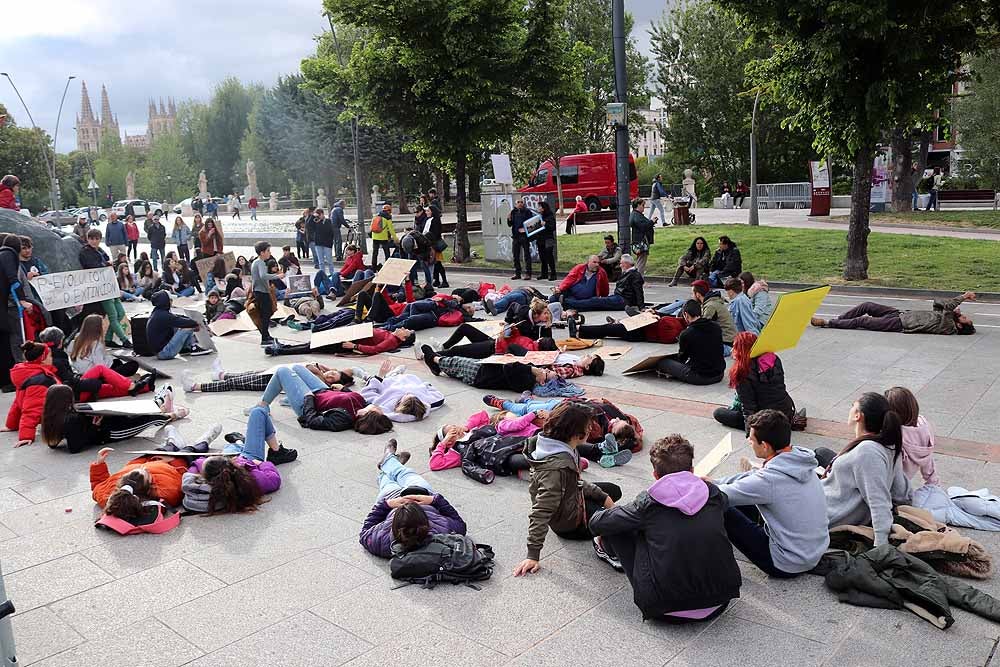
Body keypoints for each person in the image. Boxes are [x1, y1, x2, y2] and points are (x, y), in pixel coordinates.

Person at [588, 434, 741, 620]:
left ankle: (608, 552)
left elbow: (596, 524)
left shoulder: (647, 504)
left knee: (620, 526)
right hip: (720, 599)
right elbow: (723, 504)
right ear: (692, 470)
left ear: (655, 475)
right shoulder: (713, 494)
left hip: (665, 608)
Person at [713, 410, 829, 577]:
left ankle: (707, 556)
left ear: (765, 446)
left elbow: (720, 494)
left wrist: (701, 485)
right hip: (814, 552)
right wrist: (715, 482)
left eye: (751, 439)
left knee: (719, 505)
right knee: (741, 497)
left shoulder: (769, 481)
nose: (748, 441)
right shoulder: (800, 462)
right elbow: (753, 477)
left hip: (786, 564)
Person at [514, 401, 622, 576]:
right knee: (618, 522)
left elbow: (574, 482)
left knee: (613, 491)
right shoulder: (556, 469)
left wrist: (603, 497)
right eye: (588, 427)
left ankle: (602, 513)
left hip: (570, 500)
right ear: (576, 435)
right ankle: (601, 544)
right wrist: (532, 555)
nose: (591, 429)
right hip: (570, 525)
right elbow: (541, 511)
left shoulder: (556, 445)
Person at [818, 392, 912, 547]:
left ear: (858, 415)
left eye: (852, 406)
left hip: (828, 513)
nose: (850, 409)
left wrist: (880, 546)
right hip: (830, 497)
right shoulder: (887, 445)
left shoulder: (867, 452)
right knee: (819, 453)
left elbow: (878, 501)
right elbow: (900, 493)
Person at [360, 439, 467, 557]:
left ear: (394, 525)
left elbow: (364, 533)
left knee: (390, 480)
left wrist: (387, 504)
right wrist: (434, 500)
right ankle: (391, 463)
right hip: (420, 493)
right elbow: (460, 525)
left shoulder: (383, 542)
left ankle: (389, 461)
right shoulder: (443, 530)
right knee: (404, 475)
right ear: (425, 522)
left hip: (392, 497)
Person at [249, 364, 393, 435]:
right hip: (323, 391)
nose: (378, 408)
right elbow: (356, 397)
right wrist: (343, 389)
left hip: (307, 403)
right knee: (297, 368)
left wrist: (308, 398)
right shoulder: (363, 406)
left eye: (377, 410)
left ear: (366, 415)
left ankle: (263, 405)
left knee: (283, 371)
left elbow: (312, 420)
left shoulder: (342, 420)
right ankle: (289, 397)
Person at [41, 384, 188, 453]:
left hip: (107, 423)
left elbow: (53, 443)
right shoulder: (71, 419)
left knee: (137, 413)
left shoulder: (50, 416)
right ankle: (170, 414)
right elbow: (75, 447)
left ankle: (161, 403)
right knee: (148, 419)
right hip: (111, 432)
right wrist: (94, 427)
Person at [713, 332, 798, 432]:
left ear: (742, 350)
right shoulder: (773, 359)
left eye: (735, 347)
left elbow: (748, 407)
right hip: (785, 413)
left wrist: (750, 433)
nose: (732, 350)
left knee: (718, 413)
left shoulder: (743, 371)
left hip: (765, 419)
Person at [811, 292, 977, 335]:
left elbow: (947, 307)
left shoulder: (948, 327)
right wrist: (953, 309)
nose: (964, 316)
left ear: (960, 325)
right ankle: (840, 320)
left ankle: (827, 323)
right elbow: (938, 303)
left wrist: (963, 297)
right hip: (899, 314)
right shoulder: (946, 319)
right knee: (867, 305)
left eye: (964, 319)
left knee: (863, 321)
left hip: (899, 324)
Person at [78, 229, 131, 349]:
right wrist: (106, 264)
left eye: (96, 239)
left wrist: (108, 264)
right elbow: (92, 266)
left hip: (109, 284)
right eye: (92, 239)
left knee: (120, 313)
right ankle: (124, 340)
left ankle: (108, 338)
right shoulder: (84, 252)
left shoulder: (100, 250)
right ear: (88, 239)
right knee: (113, 315)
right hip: (100, 287)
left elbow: (107, 261)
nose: (94, 241)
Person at [3, 341, 62, 446]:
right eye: (50, 356)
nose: (52, 358)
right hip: (54, 417)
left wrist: (11, 425)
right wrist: (26, 436)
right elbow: (31, 410)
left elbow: (18, 403)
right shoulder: (40, 379)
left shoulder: (27, 373)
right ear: (43, 359)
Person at [655, 300, 725, 385]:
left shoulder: (686, 334)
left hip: (700, 377)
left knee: (663, 362)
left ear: (686, 315)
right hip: (719, 374)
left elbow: (682, 358)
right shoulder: (716, 327)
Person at [183, 454, 278, 514]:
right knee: (257, 426)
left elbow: (196, 464)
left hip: (230, 463)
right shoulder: (249, 481)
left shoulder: (190, 487)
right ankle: (238, 442)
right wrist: (255, 464)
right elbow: (274, 478)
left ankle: (236, 442)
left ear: (204, 476)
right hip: (247, 456)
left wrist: (206, 461)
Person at [421, 350, 555, 392]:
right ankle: (436, 366)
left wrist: (532, 369)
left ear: (542, 382)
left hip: (481, 375)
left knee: (457, 362)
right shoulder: (531, 373)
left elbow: (510, 367)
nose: (544, 369)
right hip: (486, 369)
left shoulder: (527, 383)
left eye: (547, 373)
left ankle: (433, 358)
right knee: (457, 369)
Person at [183, 362, 353, 394]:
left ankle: (195, 386)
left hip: (273, 380)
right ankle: (219, 374)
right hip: (275, 371)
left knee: (234, 383)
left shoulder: (321, 383)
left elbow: (309, 368)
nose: (330, 375)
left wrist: (322, 373)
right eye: (333, 372)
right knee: (246, 374)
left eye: (332, 377)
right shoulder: (321, 374)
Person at [358, 360, 444, 422]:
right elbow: (440, 397)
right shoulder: (428, 401)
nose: (407, 393)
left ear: (398, 404)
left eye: (405, 396)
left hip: (386, 382)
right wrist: (426, 385)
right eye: (411, 395)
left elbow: (366, 394)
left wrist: (379, 377)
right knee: (395, 375)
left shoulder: (386, 406)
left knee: (374, 380)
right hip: (406, 379)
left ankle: (366, 376)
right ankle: (395, 373)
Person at [0, 234, 30, 390]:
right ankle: (13, 378)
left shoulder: (2, 254)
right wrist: (22, 299)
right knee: (12, 339)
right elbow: (13, 279)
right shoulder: (8, 255)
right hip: (5, 306)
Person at [68, 314, 140, 377]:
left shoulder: (75, 340)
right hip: (95, 374)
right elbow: (101, 366)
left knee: (117, 362)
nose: (105, 326)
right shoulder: (95, 344)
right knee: (133, 365)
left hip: (83, 371)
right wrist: (108, 358)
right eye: (103, 325)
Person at [269, 326, 416, 357]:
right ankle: (284, 347)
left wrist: (354, 346)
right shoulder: (390, 334)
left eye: (406, 330)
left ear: (403, 338)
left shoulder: (392, 340)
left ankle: (279, 351)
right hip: (349, 336)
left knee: (312, 347)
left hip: (347, 343)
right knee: (312, 343)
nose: (403, 328)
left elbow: (375, 349)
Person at [146, 291, 211, 360]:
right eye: (170, 300)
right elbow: (182, 322)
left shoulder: (158, 313)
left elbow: (177, 317)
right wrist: (196, 323)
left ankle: (185, 348)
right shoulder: (163, 315)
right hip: (165, 353)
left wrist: (192, 322)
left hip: (160, 352)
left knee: (180, 326)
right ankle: (193, 347)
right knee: (188, 326)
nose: (172, 302)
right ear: (165, 302)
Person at [578, 310, 685, 344]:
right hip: (640, 329)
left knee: (607, 329)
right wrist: (654, 314)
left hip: (639, 332)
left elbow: (666, 338)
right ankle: (580, 330)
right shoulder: (676, 322)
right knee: (609, 329)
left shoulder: (672, 324)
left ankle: (579, 329)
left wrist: (656, 319)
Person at [250, 241, 285, 346]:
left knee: (266, 313)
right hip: (261, 292)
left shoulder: (257, 262)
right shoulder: (260, 262)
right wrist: (277, 276)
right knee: (266, 314)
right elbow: (263, 276)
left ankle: (266, 335)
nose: (270, 253)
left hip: (260, 291)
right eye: (268, 250)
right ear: (262, 252)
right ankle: (264, 338)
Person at [691, 280, 736, 350]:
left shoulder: (710, 306)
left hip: (725, 344)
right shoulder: (712, 301)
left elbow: (701, 326)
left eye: (692, 294)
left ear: (698, 294)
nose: (692, 296)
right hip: (727, 341)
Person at [506, 199, 534, 280]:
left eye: (521, 202)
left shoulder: (527, 211)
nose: (520, 204)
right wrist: (509, 219)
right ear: (516, 204)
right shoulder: (513, 212)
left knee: (527, 255)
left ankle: (528, 273)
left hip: (524, 236)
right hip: (516, 236)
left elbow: (531, 223)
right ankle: (517, 273)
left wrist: (525, 229)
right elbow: (510, 224)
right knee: (516, 255)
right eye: (518, 202)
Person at [629, 199, 656, 275]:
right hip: (641, 242)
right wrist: (652, 222)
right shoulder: (637, 216)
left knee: (640, 261)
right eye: (643, 205)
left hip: (638, 242)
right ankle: (638, 278)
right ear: (638, 205)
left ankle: (637, 277)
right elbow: (643, 226)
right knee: (641, 262)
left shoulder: (635, 215)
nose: (644, 207)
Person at [370, 202, 399, 270]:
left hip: (375, 237)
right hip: (383, 238)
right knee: (387, 252)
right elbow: (391, 230)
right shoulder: (387, 218)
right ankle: (387, 267)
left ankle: (373, 267)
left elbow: (372, 227)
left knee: (375, 252)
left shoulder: (376, 216)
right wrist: (396, 239)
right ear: (389, 211)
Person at [535, 200, 557, 281]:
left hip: (548, 239)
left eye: (539, 207)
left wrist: (546, 224)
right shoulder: (539, 217)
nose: (538, 208)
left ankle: (553, 274)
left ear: (543, 208)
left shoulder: (550, 216)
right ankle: (544, 274)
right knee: (542, 257)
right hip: (540, 239)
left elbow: (553, 227)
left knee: (549, 256)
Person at [311, 208, 335, 277]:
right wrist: (313, 216)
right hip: (318, 243)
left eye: (319, 215)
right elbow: (308, 226)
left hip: (327, 244)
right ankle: (323, 275)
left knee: (329, 260)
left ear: (322, 214)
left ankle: (332, 274)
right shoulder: (315, 222)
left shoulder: (328, 221)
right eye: (317, 215)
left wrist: (330, 242)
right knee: (321, 262)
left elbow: (330, 231)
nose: (318, 216)